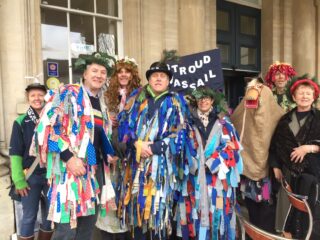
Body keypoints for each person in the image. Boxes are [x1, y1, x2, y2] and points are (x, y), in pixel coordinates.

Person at [31, 52, 116, 240]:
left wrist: (109, 152)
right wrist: (68, 158)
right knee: (66, 230)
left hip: (93, 173)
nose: (99, 75)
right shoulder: (69, 92)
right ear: (84, 74)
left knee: (86, 228)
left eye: (103, 72)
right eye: (94, 70)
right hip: (68, 174)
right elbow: (45, 129)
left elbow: (98, 134)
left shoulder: (101, 103)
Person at [117, 61, 196, 239]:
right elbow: (123, 126)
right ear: (149, 79)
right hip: (136, 167)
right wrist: (136, 143)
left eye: (163, 76)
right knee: (137, 212)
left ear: (168, 81)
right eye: (155, 76)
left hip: (161, 169)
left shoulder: (176, 102)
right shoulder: (136, 99)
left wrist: (154, 147)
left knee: (158, 215)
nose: (158, 79)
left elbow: (182, 132)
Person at [188, 87, 243, 239]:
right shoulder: (188, 123)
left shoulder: (223, 123)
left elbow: (232, 147)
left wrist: (212, 162)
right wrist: (195, 165)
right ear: (196, 101)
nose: (203, 100)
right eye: (200, 98)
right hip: (197, 179)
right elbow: (185, 149)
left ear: (212, 100)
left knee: (219, 213)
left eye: (207, 98)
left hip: (218, 177)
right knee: (197, 213)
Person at [96, 56, 141, 240]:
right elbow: (97, 122)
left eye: (127, 71)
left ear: (132, 74)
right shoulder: (106, 95)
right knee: (110, 192)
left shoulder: (139, 96)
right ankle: (108, 232)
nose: (123, 75)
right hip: (110, 152)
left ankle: (125, 231)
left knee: (127, 193)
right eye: (120, 72)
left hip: (129, 152)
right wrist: (109, 121)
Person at [269, 76, 320, 239]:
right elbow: (275, 145)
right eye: (301, 93)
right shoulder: (284, 120)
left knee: (309, 211)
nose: (304, 96)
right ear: (294, 97)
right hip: (288, 173)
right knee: (287, 211)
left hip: (313, 175)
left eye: (308, 93)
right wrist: (276, 166)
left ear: (314, 97)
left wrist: (309, 148)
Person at [9, 82, 53, 240]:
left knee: (51, 217)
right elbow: (15, 153)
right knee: (28, 217)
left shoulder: (53, 119)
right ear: (28, 98)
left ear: (46, 97)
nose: (37, 98)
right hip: (30, 176)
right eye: (33, 95)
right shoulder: (20, 122)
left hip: (51, 175)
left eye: (40, 95)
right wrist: (19, 180)